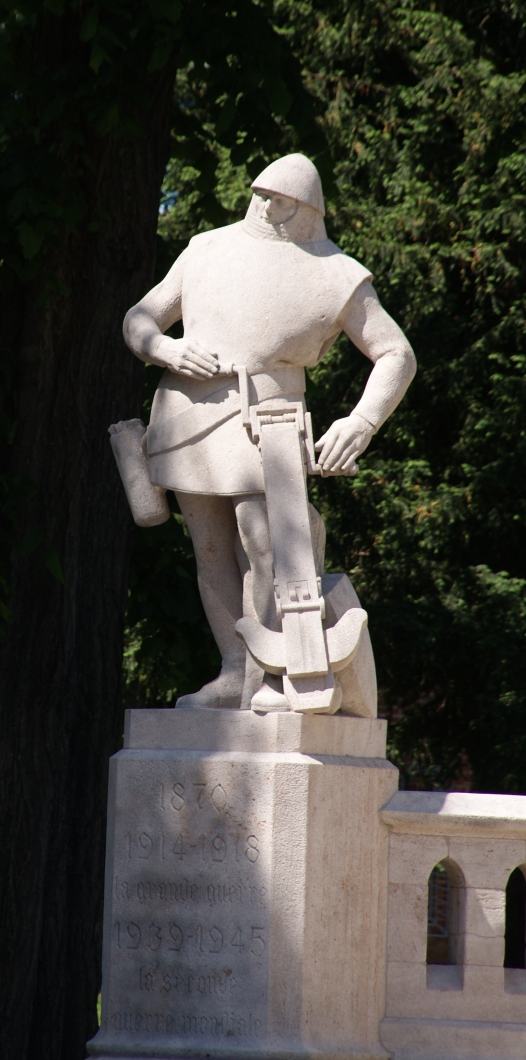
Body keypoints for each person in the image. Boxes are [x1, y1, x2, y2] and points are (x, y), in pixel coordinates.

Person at [123, 154, 416, 708]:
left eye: (277, 198)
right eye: (259, 193)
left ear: (304, 208)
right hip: (189, 415)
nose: (262, 204)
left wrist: (362, 420)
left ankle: (279, 667)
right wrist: (164, 347)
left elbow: (396, 353)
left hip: (270, 424)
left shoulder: (334, 271)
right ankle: (237, 671)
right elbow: (140, 317)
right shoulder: (207, 248)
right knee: (210, 547)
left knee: (269, 541)